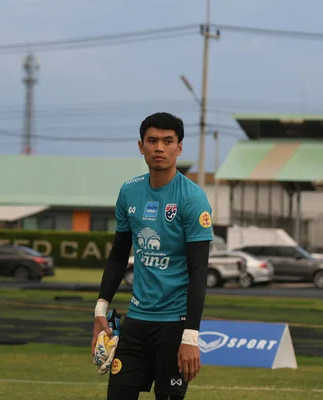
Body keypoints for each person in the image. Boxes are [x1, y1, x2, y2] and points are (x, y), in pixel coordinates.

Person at [90, 112, 213, 400]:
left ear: (179, 148)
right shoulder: (129, 192)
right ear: (141, 145)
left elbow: (199, 271)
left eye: (168, 141)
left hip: (174, 325)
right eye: (153, 140)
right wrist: (100, 311)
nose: (159, 147)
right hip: (135, 323)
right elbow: (118, 256)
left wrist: (191, 337)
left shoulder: (192, 199)